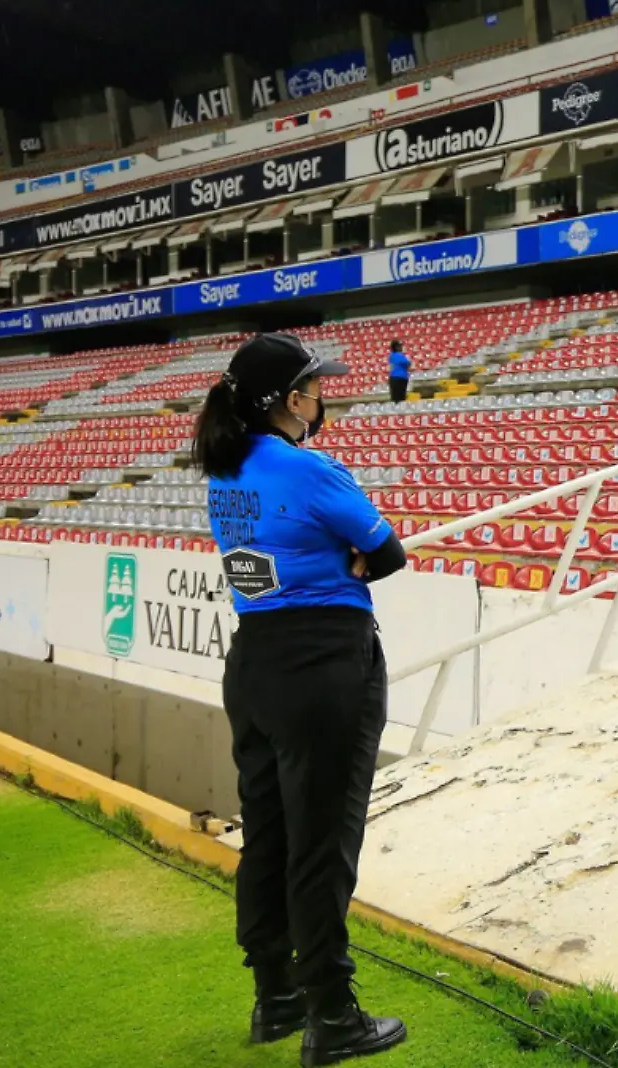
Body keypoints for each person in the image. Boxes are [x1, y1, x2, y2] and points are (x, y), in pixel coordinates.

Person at [191, 333, 409, 1067]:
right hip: (323, 662)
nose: (326, 398)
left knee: (271, 834)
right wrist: (351, 557)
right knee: (322, 845)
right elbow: (387, 553)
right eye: (317, 388)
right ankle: (333, 1014)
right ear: (290, 399)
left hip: (254, 661)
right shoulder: (310, 467)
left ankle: (275, 996)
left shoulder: (225, 467)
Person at [386, 340, 411, 404]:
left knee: (395, 398)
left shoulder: (391, 356)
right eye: (400, 346)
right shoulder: (399, 355)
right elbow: (407, 363)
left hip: (394, 377)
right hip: (400, 378)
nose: (401, 347)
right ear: (396, 347)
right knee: (401, 398)